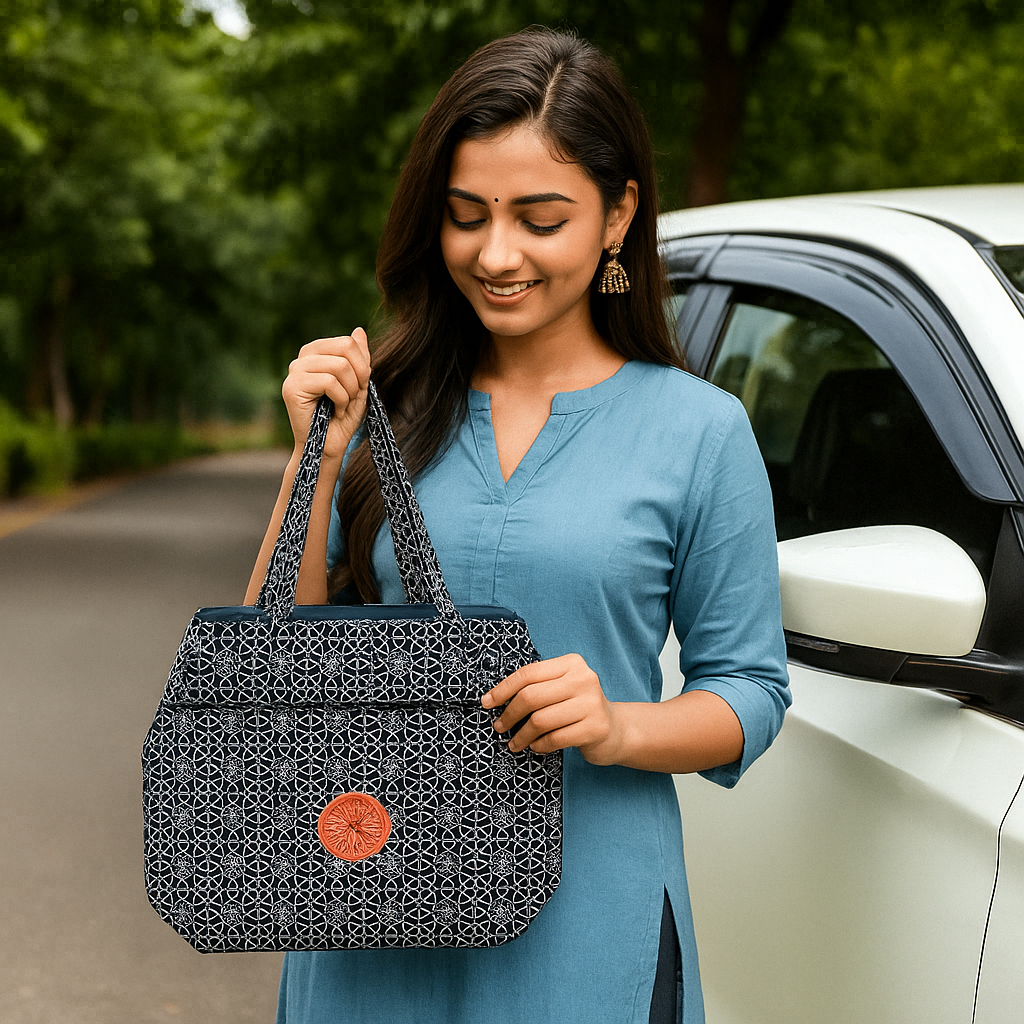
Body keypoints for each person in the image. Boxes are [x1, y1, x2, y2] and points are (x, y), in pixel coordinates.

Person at [246, 26, 790, 1024]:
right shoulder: (381, 405)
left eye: (540, 219)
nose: (496, 255)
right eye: (467, 217)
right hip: (370, 909)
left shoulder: (699, 431)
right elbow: (267, 666)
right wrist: (313, 462)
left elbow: (749, 692)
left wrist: (618, 725)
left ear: (618, 214)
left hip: (588, 923)